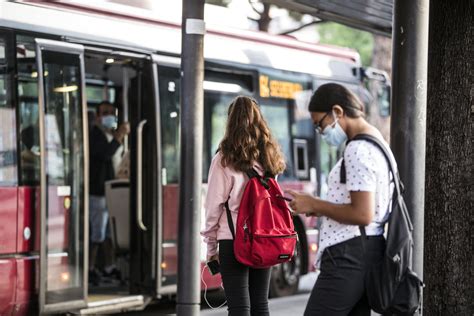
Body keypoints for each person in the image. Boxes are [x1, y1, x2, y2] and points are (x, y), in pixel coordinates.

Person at [286, 83, 396, 315]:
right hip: (367, 250)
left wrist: (314, 203)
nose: (320, 131)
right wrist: (323, 208)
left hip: (348, 256)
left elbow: (362, 214)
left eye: (320, 124)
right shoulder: (377, 141)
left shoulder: (357, 150)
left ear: (337, 111)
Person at [201, 96, 286, 316]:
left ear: (230, 122)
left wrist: (211, 249)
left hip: (233, 241)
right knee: (260, 305)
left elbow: (213, 209)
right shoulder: (269, 158)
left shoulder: (224, 159)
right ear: (260, 121)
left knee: (239, 308)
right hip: (263, 238)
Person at [89, 101, 130, 284]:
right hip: (97, 190)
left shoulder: (108, 134)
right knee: (97, 233)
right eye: (105, 112)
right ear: (98, 116)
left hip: (111, 191)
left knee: (107, 233)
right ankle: (90, 267)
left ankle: (108, 266)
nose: (110, 116)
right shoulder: (95, 134)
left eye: (112, 113)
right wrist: (119, 136)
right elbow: (105, 154)